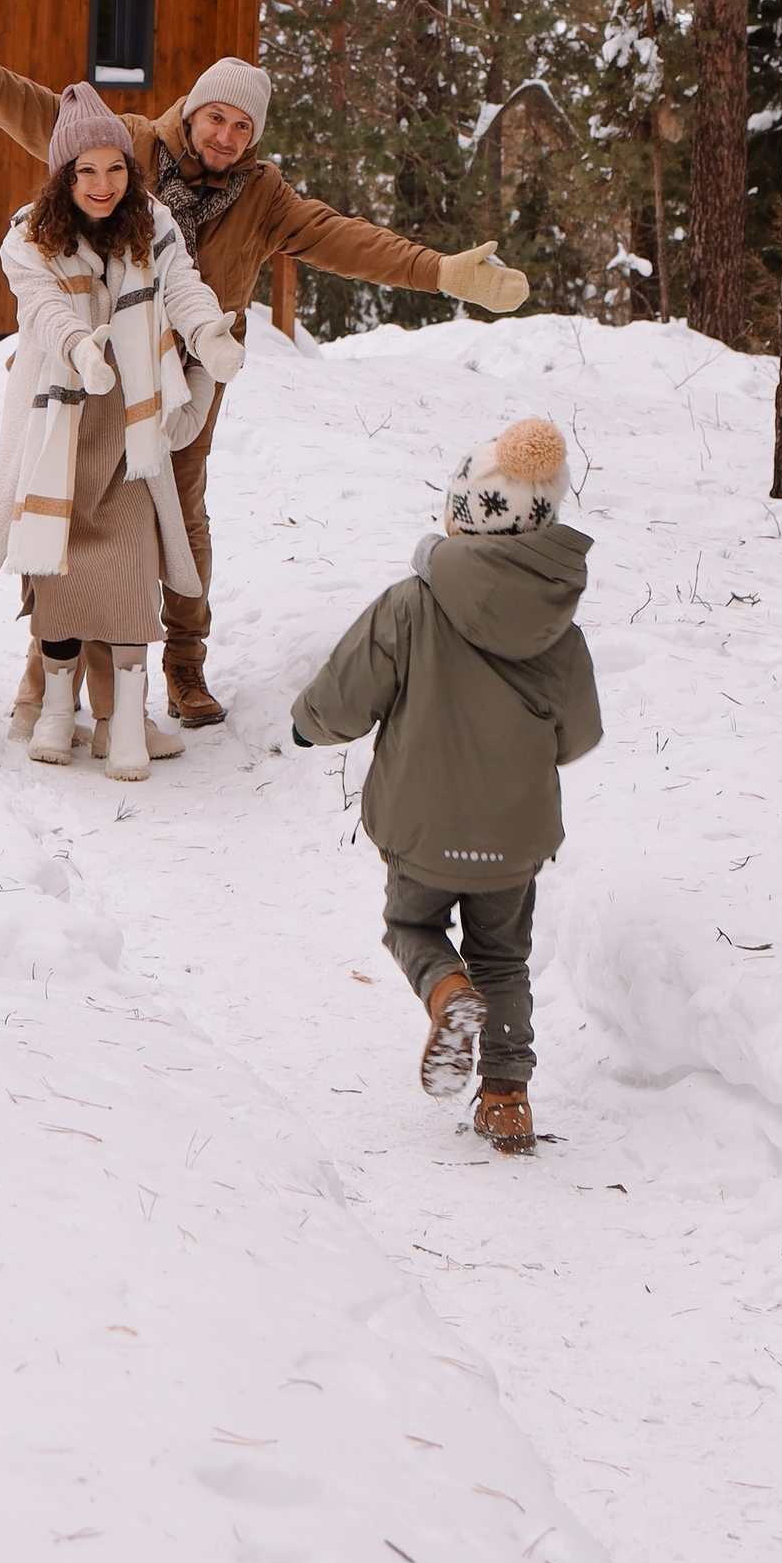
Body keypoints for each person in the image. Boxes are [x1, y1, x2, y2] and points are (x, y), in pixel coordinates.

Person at [0, 16, 529, 727]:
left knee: (179, 510)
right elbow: (45, 114)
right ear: (192, 110)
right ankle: (49, 670)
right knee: (73, 504)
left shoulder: (264, 196)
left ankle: (184, 664)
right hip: (99, 360)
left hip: (193, 376)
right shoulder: (131, 141)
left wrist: (441, 271)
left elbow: (343, 238)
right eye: (216, 117)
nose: (226, 136)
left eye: (242, 127)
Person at [288, 413, 598, 1156]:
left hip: (421, 829)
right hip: (513, 837)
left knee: (414, 927)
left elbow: (346, 695)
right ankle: (506, 1099)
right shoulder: (558, 629)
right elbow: (579, 735)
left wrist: (307, 726)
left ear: (459, 516)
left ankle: (445, 993)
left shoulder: (410, 604)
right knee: (504, 956)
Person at [0, 81, 244, 782]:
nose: (102, 184)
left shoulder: (154, 225)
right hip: (62, 412)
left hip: (132, 421)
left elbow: (184, 286)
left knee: (132, 566)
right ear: (63, 177)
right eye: (86, 171)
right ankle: (50, 711)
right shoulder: (29, 239)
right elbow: (43, 308)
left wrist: (208, 336)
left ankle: (121, 723)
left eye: (114, 168)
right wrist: (79, 348)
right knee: (58, 560)